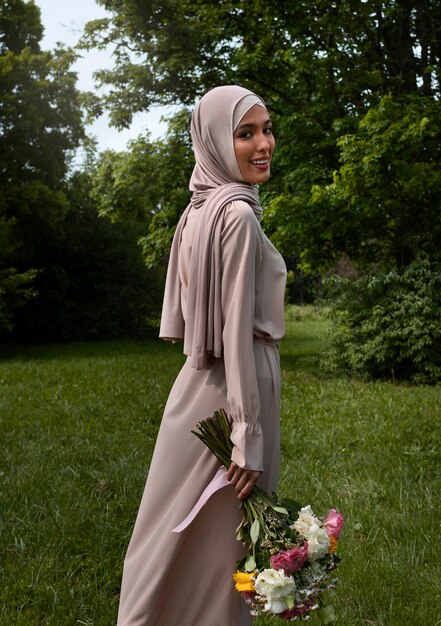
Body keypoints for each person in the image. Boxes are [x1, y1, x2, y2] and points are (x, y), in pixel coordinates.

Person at [117, 85, 287, 626]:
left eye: (265, 129)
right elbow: (235, 332)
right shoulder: (234, 214)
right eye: (245, 133)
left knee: (167, 546)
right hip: (235, 392)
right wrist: (246, 433)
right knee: (222, 554)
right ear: (215, 140)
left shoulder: (200, 207)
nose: (263, 144)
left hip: (194, 387)